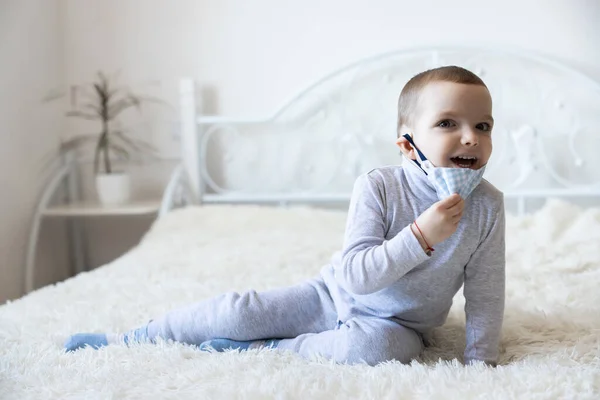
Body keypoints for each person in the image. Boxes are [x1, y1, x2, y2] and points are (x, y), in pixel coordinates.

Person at [65, 65, 505, 367]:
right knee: (240, 313)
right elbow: (354, 277)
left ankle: (275, 349)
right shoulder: (378, 187)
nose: (470, 137)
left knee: (377, 350)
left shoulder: (488, 206)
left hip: (401, 323)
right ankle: (132, 338)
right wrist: (420, 236)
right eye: (448, 123)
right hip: (332, 295)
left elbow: (485, 292)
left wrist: (480, 361)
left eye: (482, 126)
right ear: (408, 144)